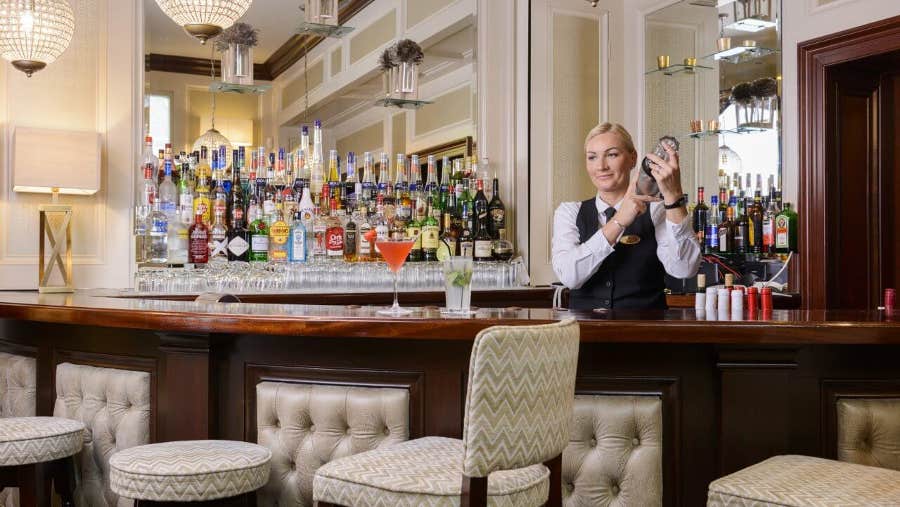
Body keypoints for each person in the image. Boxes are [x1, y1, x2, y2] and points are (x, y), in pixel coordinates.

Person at [552, 123, 700, 310]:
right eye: (592, 157)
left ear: (633, 158)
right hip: (584, 334)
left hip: (645, 332)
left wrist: (673, 196)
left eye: (612, 154)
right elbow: (569, 276)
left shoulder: (657, 210)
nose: (601, 166)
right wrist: (619, 221)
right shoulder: (569, 212)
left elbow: (684, 269)